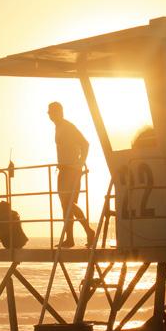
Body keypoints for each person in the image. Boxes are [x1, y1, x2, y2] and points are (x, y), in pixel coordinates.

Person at [47, 101, 95, 248]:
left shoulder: (68, 127)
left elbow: (85, 144)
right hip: (64, 170)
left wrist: (80, 163)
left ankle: (89, 231)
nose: (49, 115)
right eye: (49, 112)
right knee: (65, 205)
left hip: (71, 171)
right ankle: (70, 239)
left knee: (69, 204)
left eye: (51, 112)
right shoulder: (58, 127)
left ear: (58, 112)